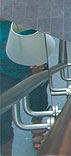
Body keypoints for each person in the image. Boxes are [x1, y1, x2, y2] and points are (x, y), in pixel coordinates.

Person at [0, 19, 50, 155]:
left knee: (37, 99)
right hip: (3, 70)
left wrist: (40, 59)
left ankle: (37, 126)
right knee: (2, 117)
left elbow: (46, 32)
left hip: (31, 65)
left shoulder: (28, 11)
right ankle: (5, 151)